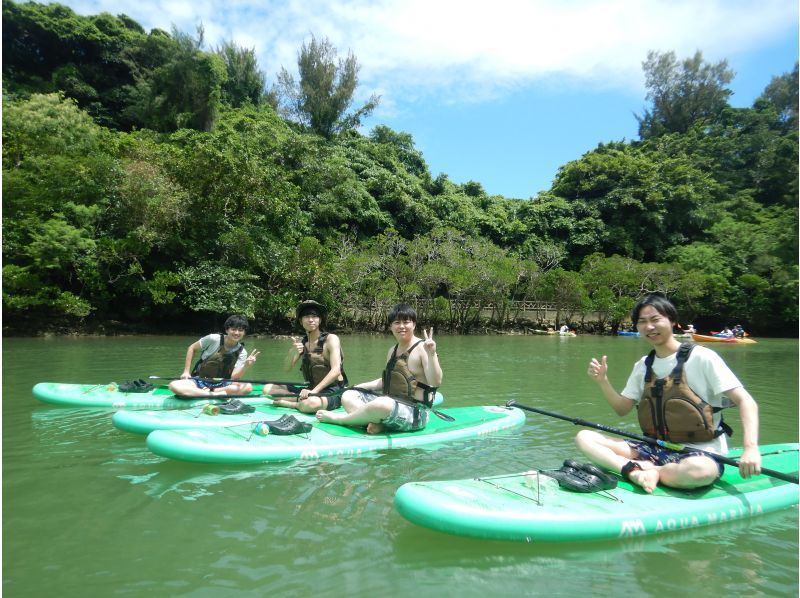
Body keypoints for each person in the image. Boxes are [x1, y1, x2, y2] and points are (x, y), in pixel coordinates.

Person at [579, 293, 761, 493]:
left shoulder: (703, 357)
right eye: (642, 322)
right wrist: (602, 381)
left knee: (700, 472)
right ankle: (635, 472)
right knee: (585, 437)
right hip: (652, 447)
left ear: (673, 321)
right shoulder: (642, 366)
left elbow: (746, 401)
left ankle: (650, 470)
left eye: (656, 319)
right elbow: (622, 409)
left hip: (699, 453)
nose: (649, 327)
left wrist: (750, 447)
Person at [316, 303, 443, 434]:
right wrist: (356, 387)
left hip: (415, 413)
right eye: (397, 322)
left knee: (382, 404)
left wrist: (432, 353)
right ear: (391, 327)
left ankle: (341, 419)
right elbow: (388, 381)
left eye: (406, 322)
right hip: (393, 405)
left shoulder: (423, 348)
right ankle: (379, 424)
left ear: (414, 324)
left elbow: (435, 381)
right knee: (348, 395)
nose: (401, 326)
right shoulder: (392, 351)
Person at [264, 300, 348, 413]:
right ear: (300, 320)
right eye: (307, 316)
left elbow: (336, 370)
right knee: (268, 388)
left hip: (332, 390)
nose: (311, 320)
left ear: (320, 320)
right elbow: (286, 368)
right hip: (310, 390)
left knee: (312, 403)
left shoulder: (331, 339)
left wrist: (314, 391)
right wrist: (292, 352)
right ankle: (301, 400)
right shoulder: (302, 343)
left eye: (315, 316)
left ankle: (293, 404)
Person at [168, 315, 260, 398]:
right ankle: (212, 394)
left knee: (248, 387)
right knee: (174, 385)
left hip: (222, 383)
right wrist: (186, 372)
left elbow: (234, 377)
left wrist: (246, 366)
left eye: (240, 330)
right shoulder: (213, 339)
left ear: (244, 332)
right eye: (233, 329)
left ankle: (210, 392)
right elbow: (192, 348)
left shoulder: (242, 352)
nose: (236, 333)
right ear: (227, 329)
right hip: (200, 380)